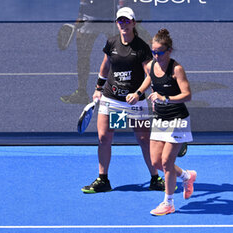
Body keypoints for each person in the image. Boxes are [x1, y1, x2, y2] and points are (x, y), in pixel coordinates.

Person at [81, 7, 164, 193]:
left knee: (143, 139)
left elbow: (150, 75)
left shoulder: (141, 48)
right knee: (104, 137)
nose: (124, 24)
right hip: (112, 100)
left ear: (134, 23)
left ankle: (155, 178)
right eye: (121, 21)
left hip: (134, 103)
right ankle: (103, 180)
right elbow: (105, 68)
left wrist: (141, 94)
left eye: (127, 21)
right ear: (117, 23)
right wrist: (97, 89)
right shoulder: (111, 43)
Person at [126, 29, 196, 215]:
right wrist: (138, 93)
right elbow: (149, 78)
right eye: (153, 52)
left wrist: (165, 98)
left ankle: (168, 203)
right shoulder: (151, 65)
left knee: (166, 162)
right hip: (160, 119)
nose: (156, 55)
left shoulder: (176, 69)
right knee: (156, 162)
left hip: (178, 119)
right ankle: (186, 176)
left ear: (169, 51)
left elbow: (187, 95)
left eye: (160, 52)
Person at [60, 0, 152, 104]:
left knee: (124, 51)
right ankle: (82, 92)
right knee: (83, 55)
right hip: (91, 16)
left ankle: (132, 89)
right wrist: (81, 17)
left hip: (110, 17)